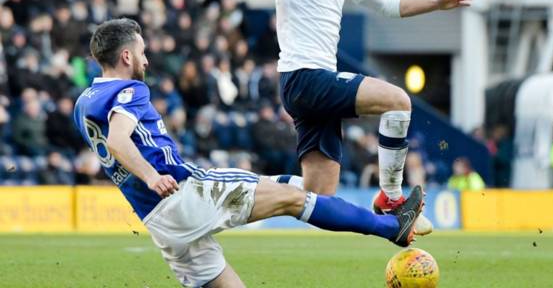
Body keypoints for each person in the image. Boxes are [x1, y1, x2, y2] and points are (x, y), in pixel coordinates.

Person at [73, 18, 424, 288]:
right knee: (296, 196)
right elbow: (119, 140)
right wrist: (152, 176)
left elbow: (110, 144)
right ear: (126, 56)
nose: (146, 61)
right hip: (183, 194)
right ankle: (392, 227)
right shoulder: (129, 90)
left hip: (158, 223)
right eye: (143, 52)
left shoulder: (83, 102)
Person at [223, 0, 473, 234]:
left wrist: (436, 3)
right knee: (397, 102)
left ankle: (237, 183)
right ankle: (391, 199)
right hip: (303, 77)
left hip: (319, 82)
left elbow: (386, 4)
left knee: (320, 197)